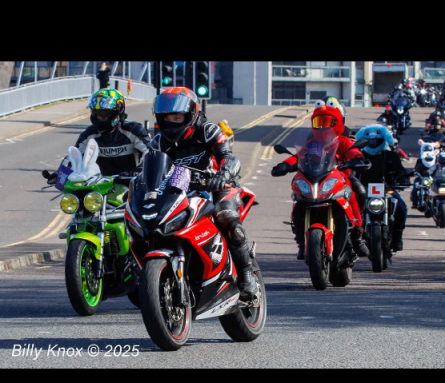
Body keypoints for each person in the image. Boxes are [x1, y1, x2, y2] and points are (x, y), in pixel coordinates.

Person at [150, 86, 258, 300]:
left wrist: (223, 174)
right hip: (180, 189)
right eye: (167, 117)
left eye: (177, 117)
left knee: (226, 216)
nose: (171, 122)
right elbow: (148, 169)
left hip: (217, 186)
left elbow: (229, 157)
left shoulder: (208, 131)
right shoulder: (158, 142)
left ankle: (246, 273)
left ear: (191, 114)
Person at [271, 101, 369, 259]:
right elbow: (298, 156)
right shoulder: (312, 144)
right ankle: (301, 242)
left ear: (337, 123)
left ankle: (358, 233)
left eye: (328, 122)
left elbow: (353, 151)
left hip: (341, 177)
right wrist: (285, 165)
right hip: (315, 177)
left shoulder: (343, 141)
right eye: (319, 122)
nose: (323, 126)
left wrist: (357, 159)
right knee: (299, 201)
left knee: (358, 192)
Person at [42, 88, 150, 185]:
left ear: (118, 111)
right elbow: (74, 156)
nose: (99, 117)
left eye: (104, 113)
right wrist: (59, 173)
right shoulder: (90, 133)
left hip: (129, 184)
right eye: (96, 113)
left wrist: (139, 170)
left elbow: (149, 153)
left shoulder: (133, 130)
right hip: (98, 185)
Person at [354, 124, 412, 251]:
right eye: (371, 141)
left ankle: (397, 236)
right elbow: (352, 173)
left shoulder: (391, 156)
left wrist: (403, 178)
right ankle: (353, 239)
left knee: (401, 208)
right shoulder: (359, 157)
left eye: (377, 140)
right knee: (351, 210)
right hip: (364, 190)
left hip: (388, 190)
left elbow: (400, 171)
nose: (374, 143)